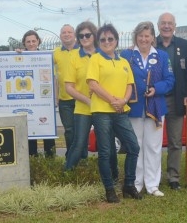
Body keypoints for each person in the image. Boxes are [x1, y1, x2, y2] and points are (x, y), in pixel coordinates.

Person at [87, 24, 141, 203]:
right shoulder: (95, 59)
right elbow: (93, 84)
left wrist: (123, 101)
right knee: (105, 151)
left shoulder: (123, 62)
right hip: (102, 112)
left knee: (133, 147)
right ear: (98, 42)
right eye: (102, 39)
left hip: (121, 111)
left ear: (116, 41)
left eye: (110, 39)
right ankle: (109, 189)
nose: (107, 42)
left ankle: (129, 185)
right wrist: (112, 100)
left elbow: (129, 86)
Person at [122, 21, 174, 197]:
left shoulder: (162, 56)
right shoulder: (126, 55)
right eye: (141, 35)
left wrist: (156, 88)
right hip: (134, 108)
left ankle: (152, 185)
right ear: (135, 37)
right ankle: (136, 183)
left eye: (147, 36)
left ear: (153, 37)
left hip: (155, 108)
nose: (144, 39)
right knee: (135, 146)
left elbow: (170, 80)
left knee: (153, 146)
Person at [156, 12, 187, 189]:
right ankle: (153, 176)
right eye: (163, 23)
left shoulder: (185, 46)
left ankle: (173, 177)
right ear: (158, 26)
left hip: (176, 99)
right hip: (155, 100)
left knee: (175, 141)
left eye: (169, 23)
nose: (166, 26)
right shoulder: (149, 44)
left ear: (175, 26)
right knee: (153, 142)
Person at [63, 21, 98, 171]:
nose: (84, 38)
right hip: (83, 108)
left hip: (103, 108)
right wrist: (87, 101)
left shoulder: (103, 54)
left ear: (94, 35)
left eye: (87, 35)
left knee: (106, 143)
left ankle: (109, 175)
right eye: (81, 35)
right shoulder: (74, 57)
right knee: (78, 143)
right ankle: (67, 173)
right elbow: (69, 87)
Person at [19, 30, 56, 158]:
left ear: (38, 41)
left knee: (48, 131)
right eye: (28, 41)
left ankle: (51, 160)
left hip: (45, 100)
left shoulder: (47, 56)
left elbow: (55, 77)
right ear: (24, 43)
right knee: (30, 132)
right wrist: (15, 55)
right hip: (27, 100)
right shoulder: (20, 56)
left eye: (33, 41)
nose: (31, 43)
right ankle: (33, 159)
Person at [53, 24, 78, 151]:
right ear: (60, 36)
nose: (67, 34)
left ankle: (82, 159)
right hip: (65, 100)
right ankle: (71, 158)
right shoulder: (56, 53)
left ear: (74, 35)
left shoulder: (83, 51)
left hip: (82, 99)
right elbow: (37, 61)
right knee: (69, 131)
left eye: (69, 32)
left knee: (81, 131)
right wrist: (21, 53)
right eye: (64, 32)